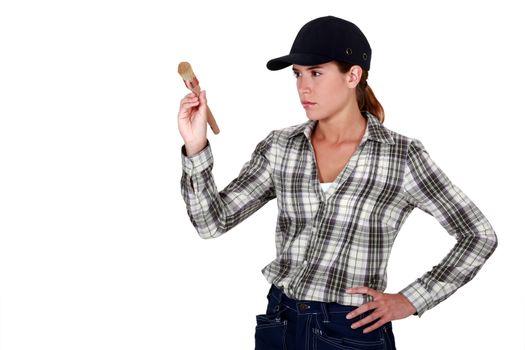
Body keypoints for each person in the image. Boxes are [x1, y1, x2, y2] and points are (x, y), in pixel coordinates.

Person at [178, 15, 498, 350]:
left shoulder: (400, 156)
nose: (304, 86)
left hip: (351, 332)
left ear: (353, 75)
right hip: (280, 324)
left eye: (316, 72)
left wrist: (411, 299)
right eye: (298, 74)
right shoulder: (280, 147)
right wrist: (195, 144)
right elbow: (211, 223)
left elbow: (478, 235)